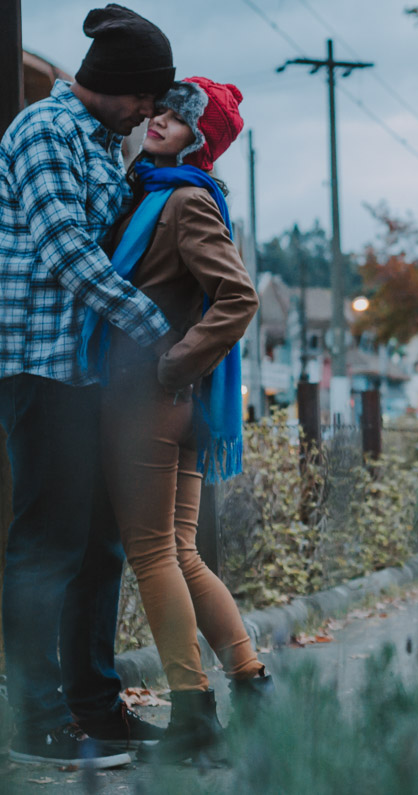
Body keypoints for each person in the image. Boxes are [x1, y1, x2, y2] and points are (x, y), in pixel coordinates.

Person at [0, 4, 177, 769]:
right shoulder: (46, 131)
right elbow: (66, 248)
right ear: (111, 82)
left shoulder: (104, 141)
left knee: (99, 544)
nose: (149, 110)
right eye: (144, 94)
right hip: (41, 365)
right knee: (47, 545)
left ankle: (97, 711)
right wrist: (156, 328)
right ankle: (35, 723)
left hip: (90, 375)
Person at [85, 75, 271, 764]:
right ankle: (252, 683)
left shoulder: (184, 200)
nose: (160, 119)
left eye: (178, 116)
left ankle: (193, 716)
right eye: (160, 109)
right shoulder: (155, 191)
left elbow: (238, 297)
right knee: (181, 550)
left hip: (149, 398)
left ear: (202, 139)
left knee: (153, 554)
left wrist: (173, 364)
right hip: (176, 404)